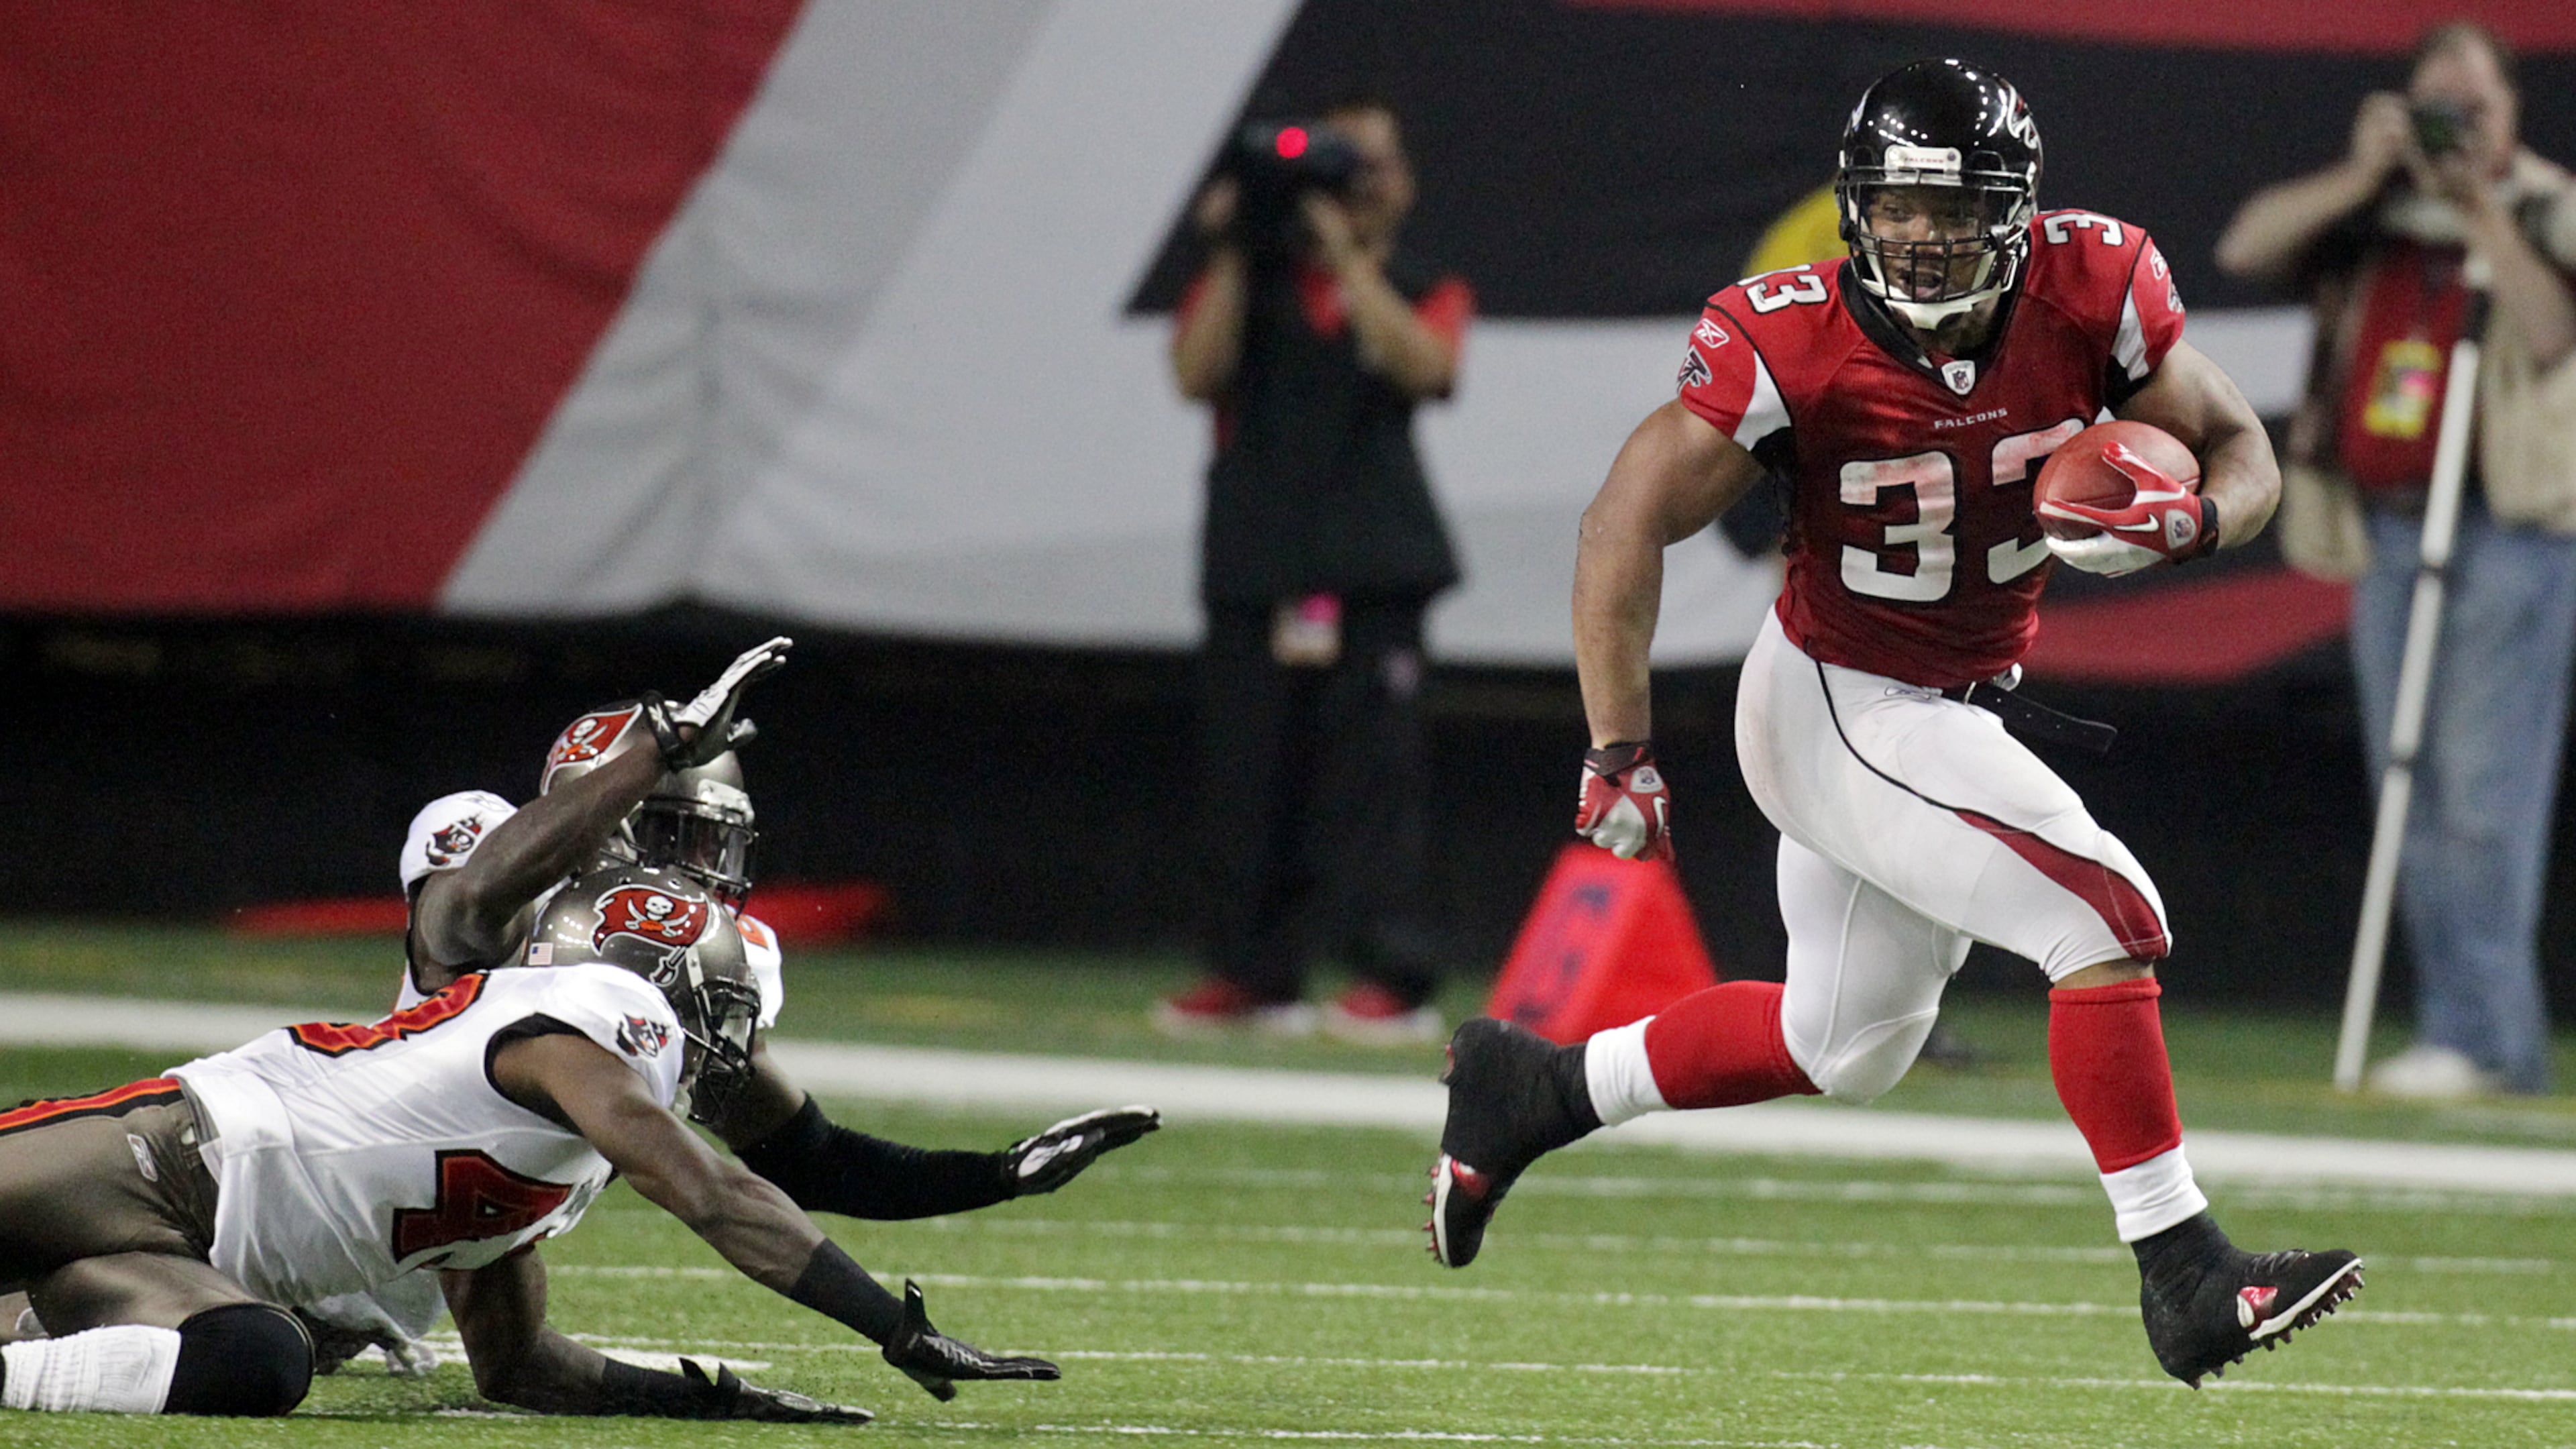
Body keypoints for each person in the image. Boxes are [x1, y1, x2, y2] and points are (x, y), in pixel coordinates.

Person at [1422, 59, 2364, 1389]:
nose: (1923, 235)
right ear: (1858, 203)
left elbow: (2238, 446)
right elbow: (1622, 520)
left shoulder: (2093, 288)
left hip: (1946, 706)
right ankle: (2186, 1272)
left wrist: (2199, 521)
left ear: (2017, 211)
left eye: (1956, 207)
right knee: (2102, 914)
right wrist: (1617, 747)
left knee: (1846, 1045)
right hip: (1840, 698)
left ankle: (1534, 1090)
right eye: (1900, 205)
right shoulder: (1791, 336)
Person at [295, 637, 1159, 1371]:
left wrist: (997, 1176)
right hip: (322, 1199)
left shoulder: (699, 959)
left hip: (448, 1248)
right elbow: (476, 896)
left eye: (715, 841)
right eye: (678, 837)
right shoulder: (494, 891)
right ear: (601, 821)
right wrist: (654, 752)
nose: (703, 870)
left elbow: (807, 1160)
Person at [0, 864, 1057, 1419]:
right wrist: (890, 1326)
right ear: (680, 990)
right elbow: (714, 1193)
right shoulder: (593, 1023)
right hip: (154, 1157)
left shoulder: (555, 1151)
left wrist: (715, 1399)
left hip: (181, 1261)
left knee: (261, 1360)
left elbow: (514, 1367)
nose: (742, 1051)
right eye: (736, 1014)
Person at [2216, 20, 2576, 1099]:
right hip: (2388, 523)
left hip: (2511, 531)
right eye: (2435, 107)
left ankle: (2488, 1040)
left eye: (2474, 107)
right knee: (2409, 783)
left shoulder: (2548, 204)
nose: (2454, 127)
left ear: (2512, 113)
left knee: (2483, 795)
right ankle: (2465, 1035)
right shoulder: (2372, 210)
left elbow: (2550, 334)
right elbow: (2245, 247)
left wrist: (2481, 206)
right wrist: (2367, 171)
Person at [1157, 97, 1472, 1044]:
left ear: (1403, 184)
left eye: (1374, 165)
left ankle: (1391, 973)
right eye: (1343, 164)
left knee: (1375, 782)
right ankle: (1252, 971)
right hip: (1260, 560)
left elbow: (1428, 370)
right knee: (1248, 775)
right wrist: (1233, 244)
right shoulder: (1251, 279)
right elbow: (1194, 375)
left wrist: (1347, 258)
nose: (1356, 183)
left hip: (1373, 564)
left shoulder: (1422, 282)